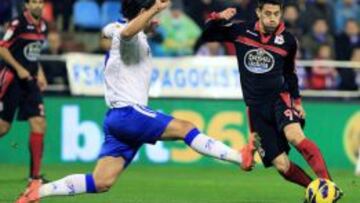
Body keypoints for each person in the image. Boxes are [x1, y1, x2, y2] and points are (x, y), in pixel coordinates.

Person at [16, 0, 255, 202]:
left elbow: (116, 30)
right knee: (186, 128)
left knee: (101, 181)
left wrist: (149, 24)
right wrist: (152, 11)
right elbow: (126, 32)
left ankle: (38, 191)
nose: (156, 15)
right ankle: (239, 157)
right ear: (142, 13)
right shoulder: (126, 34)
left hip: (117, 119)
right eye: (151, 10)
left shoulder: (122, 30)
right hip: (129, 113)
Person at [198, 0, 342, 199]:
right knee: (282, 165)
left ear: (281, 13)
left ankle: (328, 185)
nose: (272, 18)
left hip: (279, 99)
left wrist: (297, 102)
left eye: (276, 13)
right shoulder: (241, 30)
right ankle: (317, 191)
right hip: (256, 109)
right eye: (268, 13)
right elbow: (206, 34)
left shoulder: (289, 40)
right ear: (258, 12)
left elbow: (290, 73)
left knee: (295, 136)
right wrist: (217, 18)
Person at [0, 0, 48, 183]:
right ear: (26, 5)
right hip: (12, 79)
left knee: (39, 123)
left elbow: (34, 53)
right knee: (3, 127)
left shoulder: (43, 26)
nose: (38, 5)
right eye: (34, 1)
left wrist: (40, 73)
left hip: (31, 80)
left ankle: (34, 177)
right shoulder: (17, 23)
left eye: (40, 1)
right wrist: (18, 68)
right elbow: (2, 47)